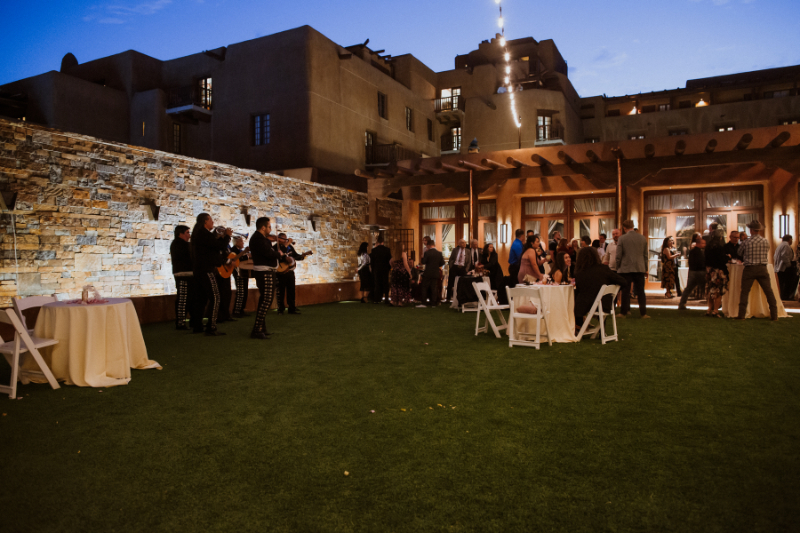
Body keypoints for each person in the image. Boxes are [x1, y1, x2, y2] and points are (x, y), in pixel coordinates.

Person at [190, 213, 231, 336]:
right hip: (206, 270)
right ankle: (211, 327)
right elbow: (219, 247)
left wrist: (218, 237)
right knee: (216, 297)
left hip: (199, 270)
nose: (213, 223)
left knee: (201, 299)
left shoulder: (199, 234)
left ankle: (197, 325)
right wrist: (227, 236)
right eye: (211, 220)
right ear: (205, 221)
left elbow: (211, 246)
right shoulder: (204, 234)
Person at [573, 247, 627, 332]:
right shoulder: (604, 269)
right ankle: (601, 329)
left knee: (575, 296)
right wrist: (612, 289)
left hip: (586, 306)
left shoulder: (580, 273)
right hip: (605, 304)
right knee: (598, 297)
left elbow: (580, 289)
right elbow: (623, 282)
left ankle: (578, 326)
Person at [249, 217, 283, 339]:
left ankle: (261, 327)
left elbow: (268, 250)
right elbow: (268, 253)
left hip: (267, 272)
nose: (270, 229)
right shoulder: (258, 239)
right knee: (266, 300)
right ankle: (257, 329)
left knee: (265, 300)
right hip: (264, 273)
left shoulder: (262, 239)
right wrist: (278, 254)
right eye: (269, 227)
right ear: (263, 227)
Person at [737, 220, 778, 320]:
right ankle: (774, 315)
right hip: (762, 268)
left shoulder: (746, 242)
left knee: (745, 292)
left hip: (749, 268)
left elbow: (739, 252)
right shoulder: (766, 241)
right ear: (759, 230)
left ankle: (741, 315)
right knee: (768, 291)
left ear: (750, 230)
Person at [616, 219, 650, 319]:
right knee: (640, 291)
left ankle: (624, 312)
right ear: (633, 226)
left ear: (624, 228)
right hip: (639, 268)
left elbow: (618, 255)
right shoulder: (642, 238)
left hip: (626, 268)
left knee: (625, 291)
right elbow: (645, 255)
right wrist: (645, 268)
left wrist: (618, 266)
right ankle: (643, 313)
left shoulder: (622, 239)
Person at [275, 233, 309, 315]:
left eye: (286, 239)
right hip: (280, 272)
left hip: (290, 271)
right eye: (284, 239)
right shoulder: (276, 247)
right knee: (281, 291)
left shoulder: (290, 247)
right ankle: (280, 309)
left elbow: (295, 256)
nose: (286, 240)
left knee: (291, 290)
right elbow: (279, 256)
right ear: (279, 239)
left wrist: (302, 256)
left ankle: (291, 308)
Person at [170, 225, 194, 330]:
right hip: (182, 274)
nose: (189, 235)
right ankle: (180, 322)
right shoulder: (178, 244)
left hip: (187, 274)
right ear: (181, 234)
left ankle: (187, 320)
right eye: (187, 233)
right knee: (183, 298)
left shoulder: (182, 244)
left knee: (188, 298)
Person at [704, 229, 729, 317]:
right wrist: (727, 257)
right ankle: (715, 311)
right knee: (718, 292)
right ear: (721, 237)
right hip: (718, 271)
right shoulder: (720, 247)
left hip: (709, 271)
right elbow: (722, 259)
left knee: (710, 291)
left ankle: (709, 310)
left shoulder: (708, 247)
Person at [678, 237, 706, 310]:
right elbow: (701, 262)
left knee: (688, 289)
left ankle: (682, 303)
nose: (704, 245)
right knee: (704, 288)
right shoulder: (700, 252)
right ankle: (712, 303)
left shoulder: (692, 252)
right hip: (699, 272)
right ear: (698, 243)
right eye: (703, 243)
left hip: (692, 272)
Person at [419, 238, 444, 306]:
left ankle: (424, 302)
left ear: (429, 245)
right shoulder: (439, 253)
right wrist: (436, 265)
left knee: (424, 287)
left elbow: (423, 262)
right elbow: (442, 263)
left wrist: (422, 257)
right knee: (434, 288)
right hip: (435, 273)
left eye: (427, 246)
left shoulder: (427, 253)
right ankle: (433, 303)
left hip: (428, 273)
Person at [231, 236, 251, 318]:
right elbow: (235, 259)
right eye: (241, 242)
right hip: (238, 273)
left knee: (244, 292)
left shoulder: (239, 250)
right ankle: (236, 311)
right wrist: (245, 252)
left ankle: (241, 310)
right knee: (240, 292)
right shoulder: (233, 250)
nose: (243, 243)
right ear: (237, 242)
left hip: (244, 272)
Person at [389, 242, 413, 307]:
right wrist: (409, 272)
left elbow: (391, 262)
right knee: (401, 287)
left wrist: (394, 267)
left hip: (395, 272)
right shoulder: (403, 253)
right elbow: (405, 264)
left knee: (395, 287)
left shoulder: (394, 254)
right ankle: (400, 302)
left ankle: (393, 301)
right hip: (401, 272)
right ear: (401, 247)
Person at [370, 235, 392, 304]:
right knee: (385, 283)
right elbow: (390, 260)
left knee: (377, 284)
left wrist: (373, 269)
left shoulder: (374, 250)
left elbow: (372, 261)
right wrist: (389, 268)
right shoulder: (387, 250)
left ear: (377, 242)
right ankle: (386, 298)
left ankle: (377, 299)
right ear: (383, 242)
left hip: (377, 269)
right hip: (385, 269)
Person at [774, 235, 794, 300]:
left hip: (779, 268)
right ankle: (785, 296)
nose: (792, 241)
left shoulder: (780, 245)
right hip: (784, 268)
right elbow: (784, 256)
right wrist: (789, 264)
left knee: (781, 283)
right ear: (789, 239)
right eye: (791, 239)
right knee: (786, 283)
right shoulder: (786, 246)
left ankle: (783, 296)